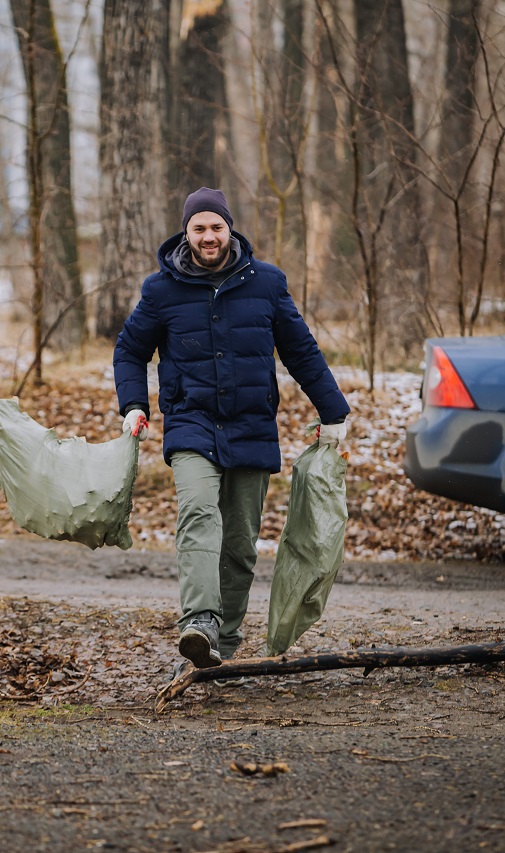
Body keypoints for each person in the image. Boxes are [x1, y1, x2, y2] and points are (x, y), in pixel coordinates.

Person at [113, 187, 350, 670]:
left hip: (252, 425)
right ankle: (199, 621)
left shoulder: (266, 283)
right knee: (199, 513)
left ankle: (223, 644)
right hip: (190, 423)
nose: (208, 236)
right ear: (186, 232)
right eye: (198, 228)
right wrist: (134, 404)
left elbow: (301, 351)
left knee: (240, 543)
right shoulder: (161, 290)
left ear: (229, 229)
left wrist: (334, 414)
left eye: (215, 227)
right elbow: (130, 351)